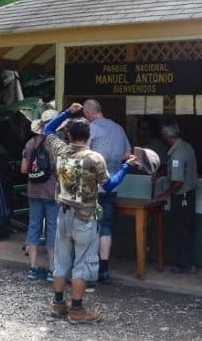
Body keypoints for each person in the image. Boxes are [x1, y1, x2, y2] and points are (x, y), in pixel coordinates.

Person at [44, 103, 137, 324]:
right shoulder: (94, 159)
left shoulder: (60, 150)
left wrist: (68, 111)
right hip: (84, 219)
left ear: (68, 134)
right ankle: (76, 310)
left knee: (61, 262)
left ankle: (58, 304)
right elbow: (110, 184)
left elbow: (48, 129)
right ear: (88, 136)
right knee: (83, 263)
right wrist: (126, 167)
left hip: (63, 215)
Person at [82, 99, 131, 284]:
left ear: (88, 113)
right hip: (112, 186)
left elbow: (82, 153)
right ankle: (104, 270)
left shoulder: (91, 129)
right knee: (106, 227)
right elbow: (128, 155)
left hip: (91, 188)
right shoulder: (118, 128)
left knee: (88, 227)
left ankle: (88, 269)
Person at [153, 122, 198, 274]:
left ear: (166, 136)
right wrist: (162, 173)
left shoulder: (177, 153)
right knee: (187, 230)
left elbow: (178, 181)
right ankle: (189, 263)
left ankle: (182, 264)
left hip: (182, 197)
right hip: (189, 196)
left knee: (181, 231)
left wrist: (165, 194)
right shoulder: (186, 146)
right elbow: (177, 172)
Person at [21, 109, 59, 282]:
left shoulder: (30, 144)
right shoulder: (55, 144)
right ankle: (52, 270)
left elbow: (23, 169)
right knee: (52, 229)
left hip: (33, 191)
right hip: (52, 193)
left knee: (33, 227)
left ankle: (33, 269)